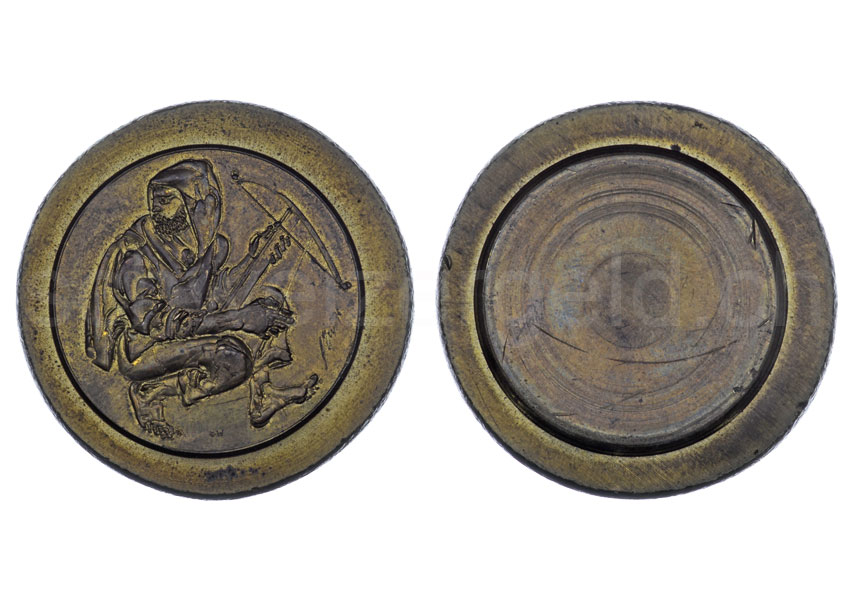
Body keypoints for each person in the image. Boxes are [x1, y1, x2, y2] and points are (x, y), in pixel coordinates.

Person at [85, 159, 318, 439]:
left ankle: (262, 392)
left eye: (166, 200)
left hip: (187, 331)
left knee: (271, 300)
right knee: (233, 357)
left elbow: (217, 295)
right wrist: (241, 320)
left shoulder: (210, 246)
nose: (155, 208)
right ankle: (151, 392)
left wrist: (256, 259)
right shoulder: (136, 255)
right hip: (145, 351)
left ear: (196, 203)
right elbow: (158, 323)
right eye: (154, 201)